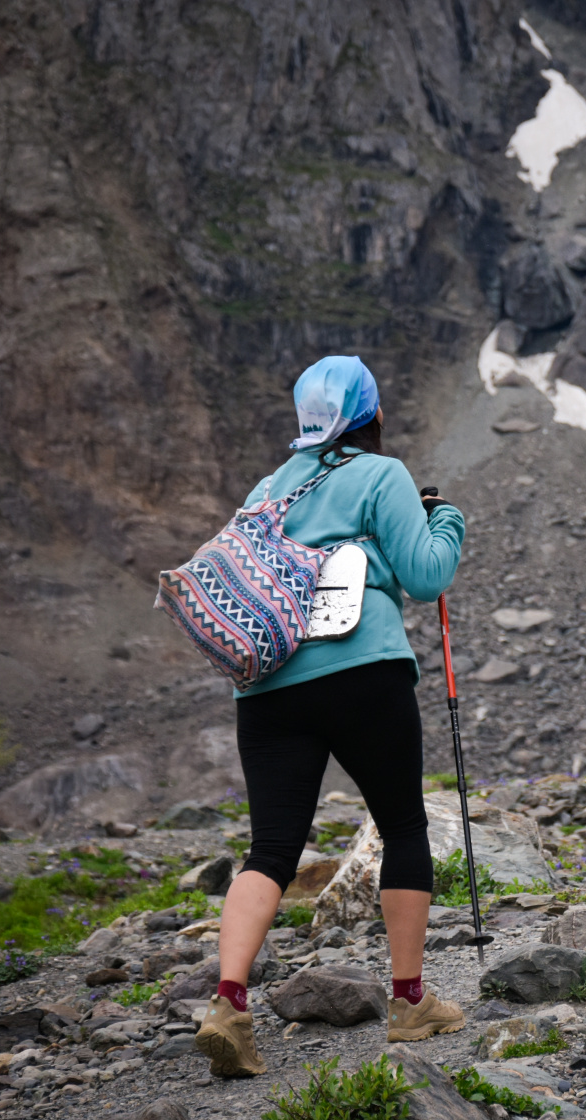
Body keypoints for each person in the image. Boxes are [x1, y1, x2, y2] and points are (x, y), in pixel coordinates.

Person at [192, 356, 467, 1079]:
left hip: (270, 685)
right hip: (360, 670)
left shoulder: (266, 490)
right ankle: (410, 1003)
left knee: (271, 848)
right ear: (369, 414)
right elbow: (427, 573)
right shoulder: (381, 475)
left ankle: (228, 1004)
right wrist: (447, 519)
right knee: (403, 823)